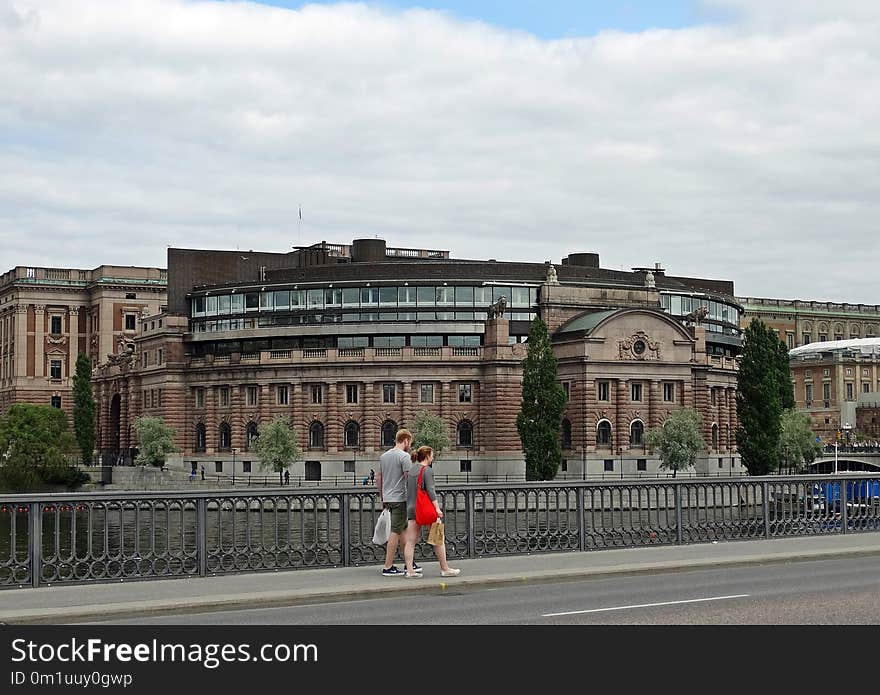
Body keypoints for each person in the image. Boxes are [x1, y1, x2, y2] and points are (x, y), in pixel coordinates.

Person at [402, 445, 460, 579]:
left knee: (410, 541)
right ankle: (445, 568)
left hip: (411, 508)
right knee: (438, 538)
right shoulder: (427, 470)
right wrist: (437, 509)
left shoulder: (411, 470)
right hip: (425, 509)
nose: (432, 458)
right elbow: (431, 491)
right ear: (427, 456)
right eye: (432, 455)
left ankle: (410, 570)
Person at [376, 428, 421, 577]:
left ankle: (410, 562)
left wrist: (382, 497)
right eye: (410, 442)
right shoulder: (404, 456)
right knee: (395, 532)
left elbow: (379, 479)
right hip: (400, 499)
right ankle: (388, 566)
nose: (410, 445)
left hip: (388, 498)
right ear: (406, 440)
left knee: (402, 530)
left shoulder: (384, 456)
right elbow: (409, 478)